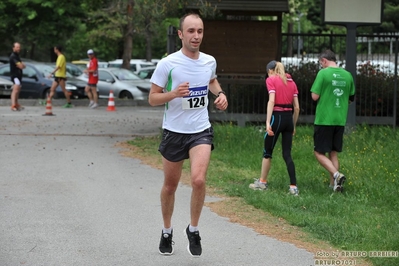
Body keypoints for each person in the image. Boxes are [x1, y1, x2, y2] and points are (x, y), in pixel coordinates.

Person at [148, 13, 228, 257]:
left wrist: (220, 93)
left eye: (200, 31)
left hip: (199, 130)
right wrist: (173, 94)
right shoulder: (167, 64)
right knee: (170, 187)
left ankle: (193, 229)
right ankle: (166, 231)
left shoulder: (209, 61)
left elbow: (211, 80)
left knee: (198, 180)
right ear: (180, 34)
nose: (196, 36)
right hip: (174, 132)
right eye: (191, 31)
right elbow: (152, 98)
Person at [249, 61, 300, 196]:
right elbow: (297, 107)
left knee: (267, 152)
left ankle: (262, 182)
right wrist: (293, 125)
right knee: (287, 154)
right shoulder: (292, 82)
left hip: (276, 118)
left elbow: (271, 100)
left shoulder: (271, 80)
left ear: (270, 71)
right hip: (289, 118)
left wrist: (267, 122)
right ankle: (293, 187)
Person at [310, 49, 355, 192]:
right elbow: (351, 98)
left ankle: (336, 175)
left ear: (324, 60)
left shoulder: (323, 73)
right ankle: (334, 185)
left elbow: (314, 96)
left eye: (320, 63)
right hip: (340, 120)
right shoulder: (348, 75)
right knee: (333, 152)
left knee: (318, 152)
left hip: (324, 119)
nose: (321, 66)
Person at [9, 42, 26, 111]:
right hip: (15, 75)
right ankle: (13, 105)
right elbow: (21, 66)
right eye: (17, 47)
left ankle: (16, 103)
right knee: (15, 90)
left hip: (19, 75)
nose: (19, 48)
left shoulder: (17, 56)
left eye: (19, 47)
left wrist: (22, 65)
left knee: (18, 90)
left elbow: (23, 65)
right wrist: (21, 65)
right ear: (13, 48)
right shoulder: (13, 56)